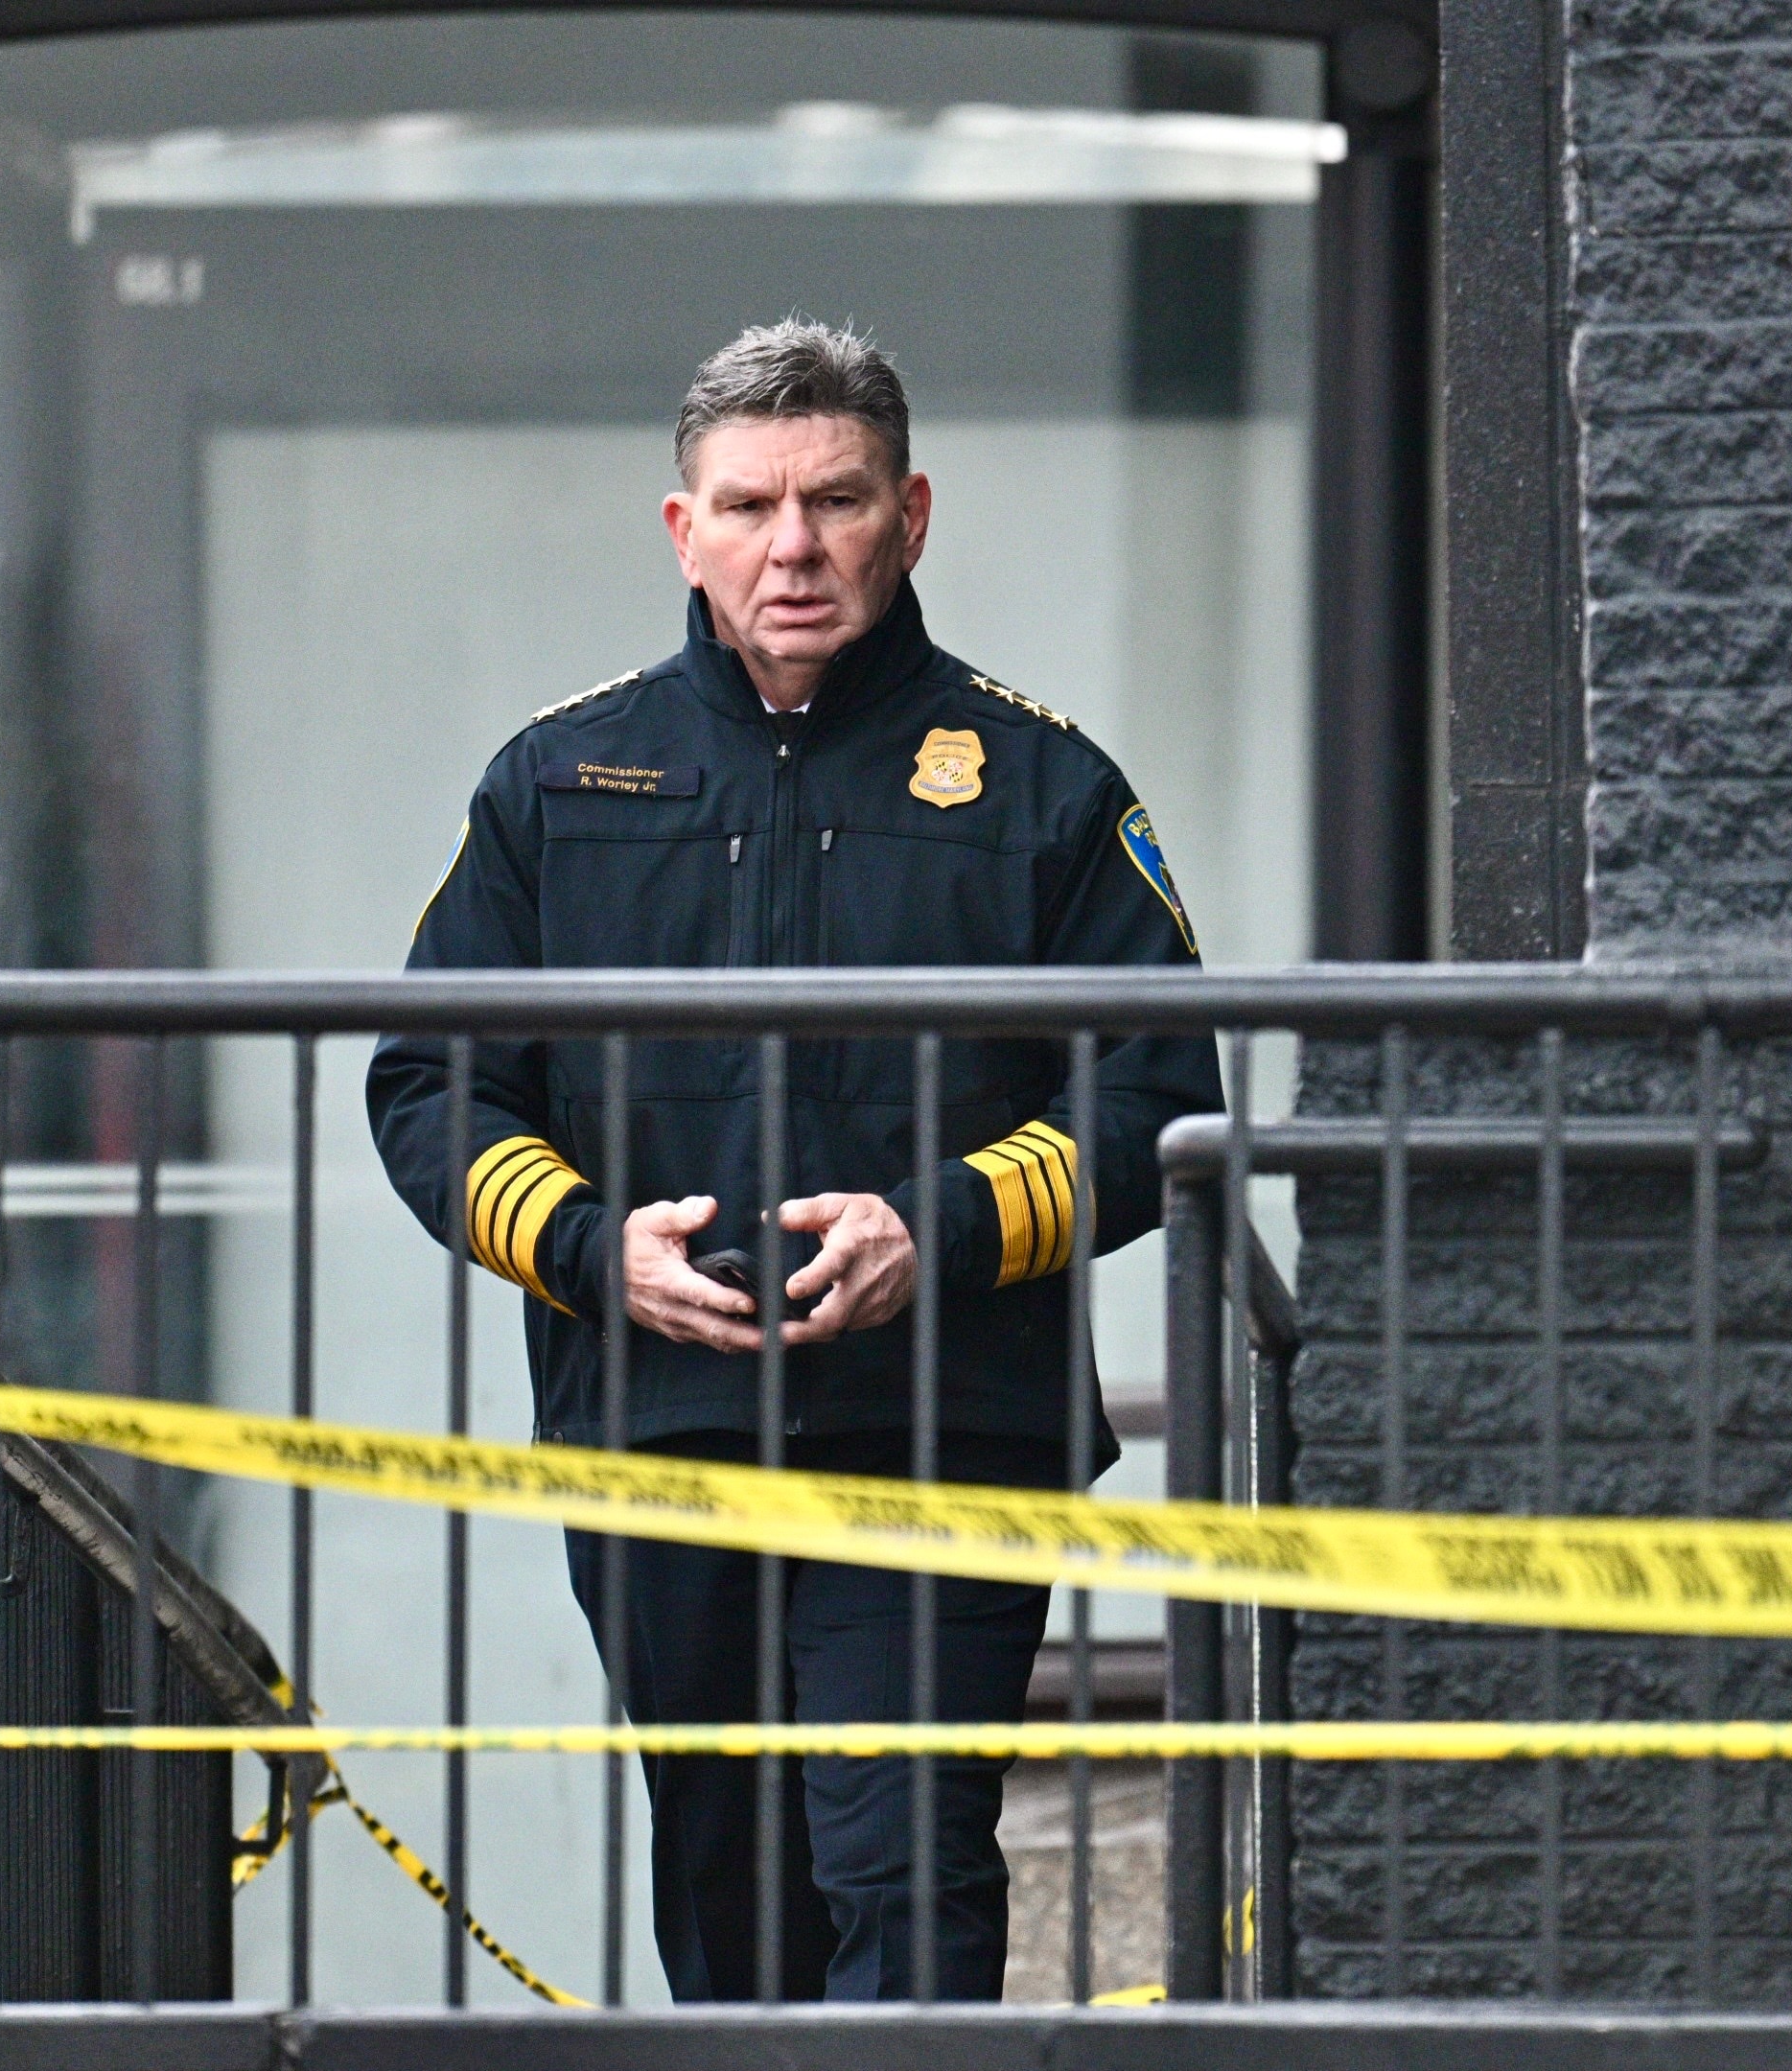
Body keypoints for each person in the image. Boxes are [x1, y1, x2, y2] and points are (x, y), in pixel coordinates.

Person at [365, 319, 1220, 2002]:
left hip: (944, 1429)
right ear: (682, 531)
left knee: (902, 1861)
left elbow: (1154, 1094)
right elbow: (431, 1085)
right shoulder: (553, 784)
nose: (795, 546)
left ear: (911, 514)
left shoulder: (1044, 785)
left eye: (834, 501)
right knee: (729, 1878)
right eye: (750, 505)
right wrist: (586, 1248)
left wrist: (943, 1231)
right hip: (657, 1434)